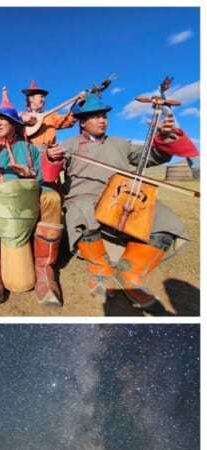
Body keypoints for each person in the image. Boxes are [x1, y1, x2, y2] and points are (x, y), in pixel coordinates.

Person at [43, 92, 197, 308]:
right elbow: (48, 170)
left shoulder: (121, 143)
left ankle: (129, 271)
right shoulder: (69, 144)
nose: (102, 119)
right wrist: (51, 157)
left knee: (166, 221)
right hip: (85, 196)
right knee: (82, 209)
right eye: (95, 116)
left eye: (104, 115)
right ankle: (99, 267)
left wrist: (162, 137)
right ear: (83, 122)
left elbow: (152, 157)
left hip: (123, 195)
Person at [0, 88, 66, 307]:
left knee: (52, 198)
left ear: (14, 123)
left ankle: (44, 269)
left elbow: (42, 178)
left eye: (4, 119)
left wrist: (30, 175)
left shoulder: (30, 148)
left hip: (27, 202)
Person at [19, 80, 84, 149]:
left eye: (44, 97)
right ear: (31, 98)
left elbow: (67, 121)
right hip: (27, 153)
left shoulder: (50, 115)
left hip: (48, 153)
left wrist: (78, 105)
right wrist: (21, 119)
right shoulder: (21, 115)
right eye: (41, 96)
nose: (43, 100)